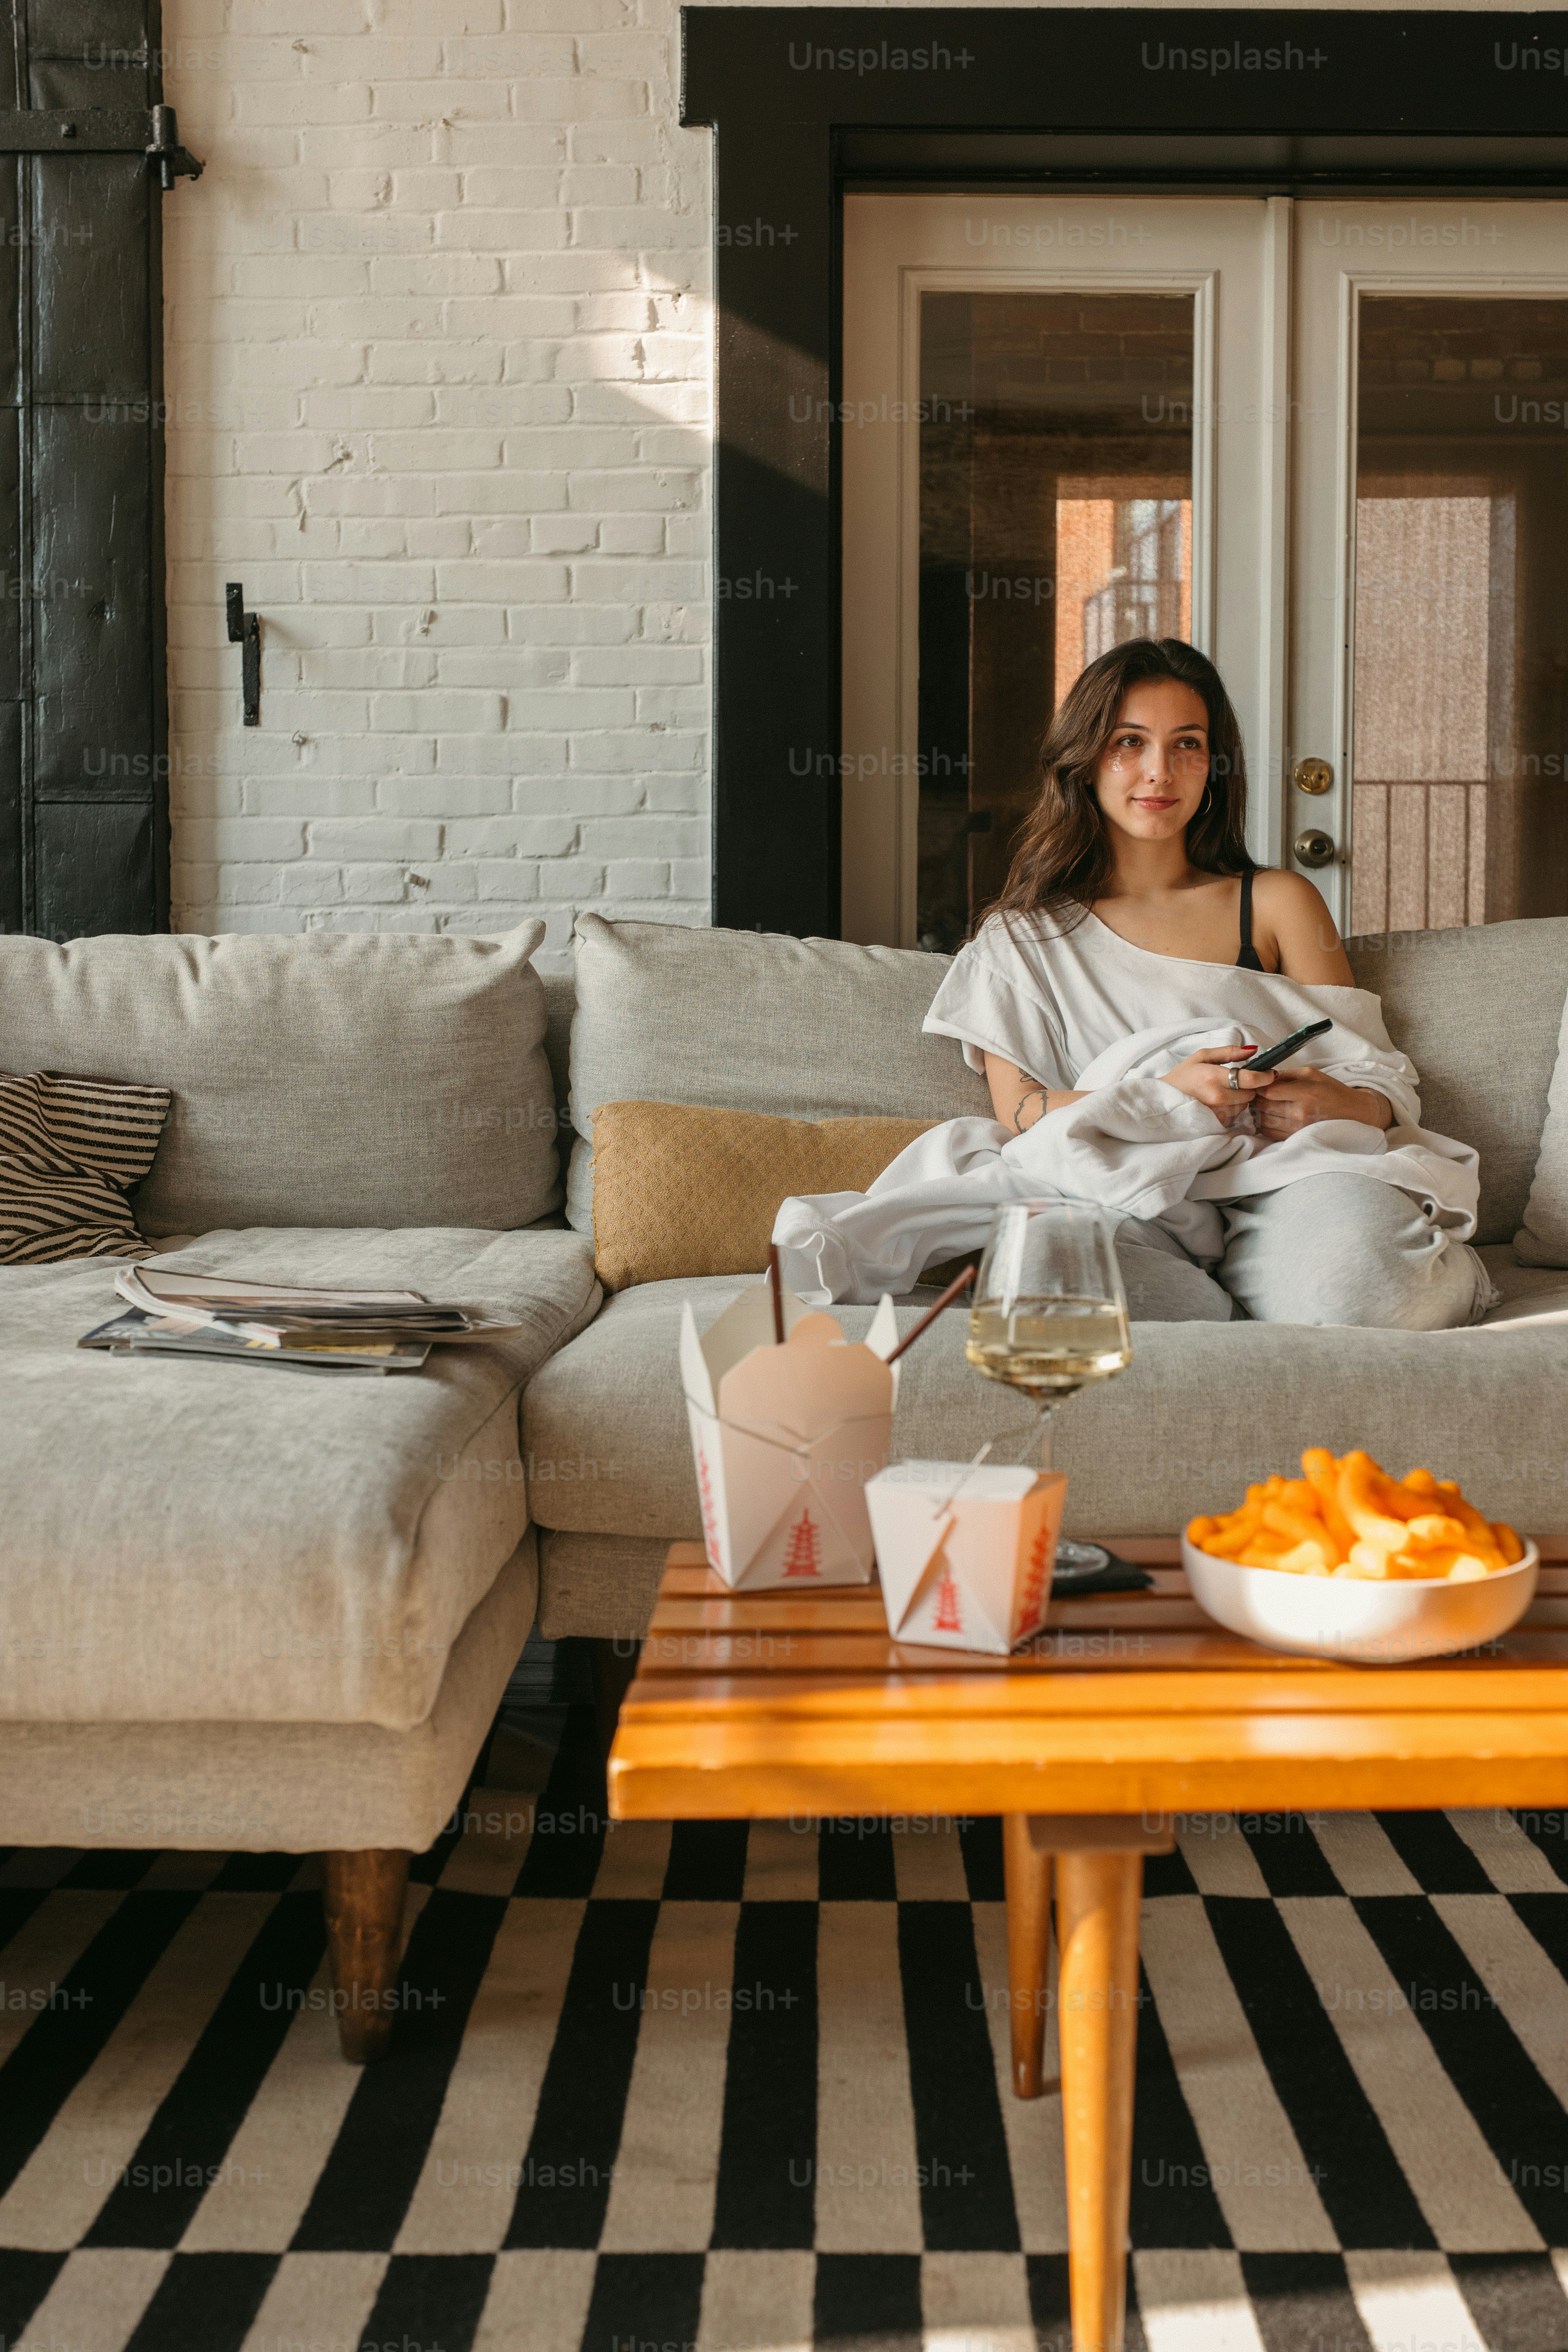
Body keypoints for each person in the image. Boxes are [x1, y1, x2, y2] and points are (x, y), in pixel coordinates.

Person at [919, 635, 1494, 1328]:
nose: (1160, 772)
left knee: (1372, 1286)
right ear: (1084, 760)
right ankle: (1219, 1303)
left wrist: (1338, 1103)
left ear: (1214, 766)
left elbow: (1382, 1082)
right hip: (1124, 1191)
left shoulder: (1278, 903)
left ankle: (1301, 1284)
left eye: (1187, 745)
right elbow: (1021, 1114)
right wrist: (1166, 1099)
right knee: (1044, 1284)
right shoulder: (1021, 939)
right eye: (1129, 742)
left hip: (1288, 1178)